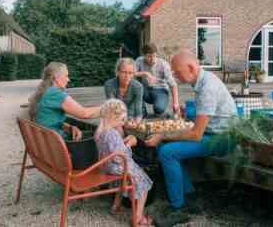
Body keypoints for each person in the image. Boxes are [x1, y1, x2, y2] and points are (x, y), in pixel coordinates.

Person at [145, 50, 237, 223]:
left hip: (223, 139)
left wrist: (164, 134)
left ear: (191, 68)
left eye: (177, 72)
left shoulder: (207, 87)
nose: (175, 76)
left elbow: (196, 134)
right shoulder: (203, 80)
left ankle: (178, 209)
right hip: (212, 133)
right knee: (163, 146)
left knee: (167, 152)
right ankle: (189, 196)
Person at [94, 99, 154, 227]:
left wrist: (123, 142)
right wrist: (130, 144)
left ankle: (116, 206)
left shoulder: (100, 131)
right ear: (112, 117)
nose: (123, 123)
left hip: (106, 166)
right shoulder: (112, 134)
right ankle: (138, 219)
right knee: (143, 184)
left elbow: (113, 150)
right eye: (122, 120)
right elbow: (120, 157)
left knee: (123, 180)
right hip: (117, 166)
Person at [29, 62, 100, 142]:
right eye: (66, 76)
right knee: (98, 137)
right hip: (56, 143)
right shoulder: (55, 94)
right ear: (56, 77)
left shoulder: (45, 90)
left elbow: (48, 121)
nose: (68, 79)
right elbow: (85, 114)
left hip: (45, 141)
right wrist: (108, 107)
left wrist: (69, 128)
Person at [134, 43, 180, 117]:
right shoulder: (139, 61)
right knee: (134, 85)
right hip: (145, 90)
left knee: (159, 109)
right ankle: (142, 112)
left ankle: (158, 107)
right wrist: (145, 73)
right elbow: (130, 73)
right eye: (149, 56)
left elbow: (173, 84)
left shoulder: (163, 64)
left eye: (154, 56)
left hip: (160, 90)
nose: (152, 59)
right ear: (144, 55)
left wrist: (176, 103)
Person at [104, 58, 144, 125]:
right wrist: (124, 121)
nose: (127, 76)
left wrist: (136, 122)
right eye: (124, 72)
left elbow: (138, 112)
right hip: (116, 115)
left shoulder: (138, 87)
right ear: (118, 72)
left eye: (130, 73)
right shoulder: (109, 85)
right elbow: (113, 109)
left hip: (133, 113)